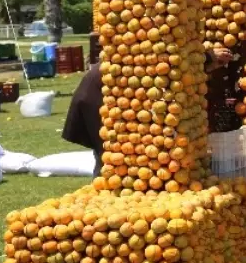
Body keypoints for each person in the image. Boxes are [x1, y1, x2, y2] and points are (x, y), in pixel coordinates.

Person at [65, 46, 233, 176]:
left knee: (117, 154)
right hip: (103, 96)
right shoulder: (152, 58)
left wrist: (207, 61)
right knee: (113, 155)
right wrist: (207, 57)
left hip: (110, 94)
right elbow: (171, 64)